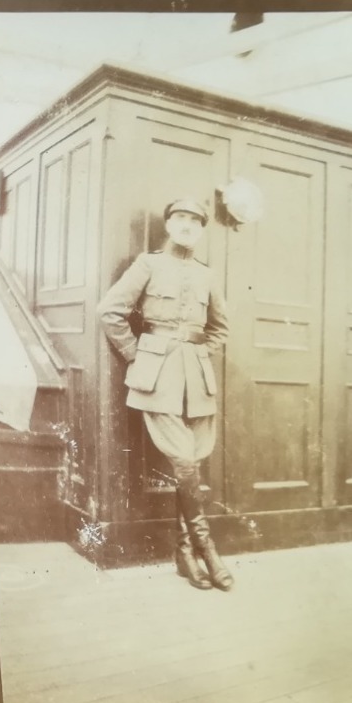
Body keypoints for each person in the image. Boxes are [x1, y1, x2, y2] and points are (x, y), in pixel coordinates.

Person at [98, 197, 233, 591]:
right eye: (181, 218)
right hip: (157, 374)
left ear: (202, 229)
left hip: (198, 377)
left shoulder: (207, 275)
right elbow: (110, 311)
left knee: (189, 462)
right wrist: (137, 355)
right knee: (183, 459)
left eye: (196, 220)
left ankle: (185, 552)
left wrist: (199, 352)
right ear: (169, 225)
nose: (188, 225)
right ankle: (207, 551)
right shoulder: (148, 264)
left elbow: (221, 328)